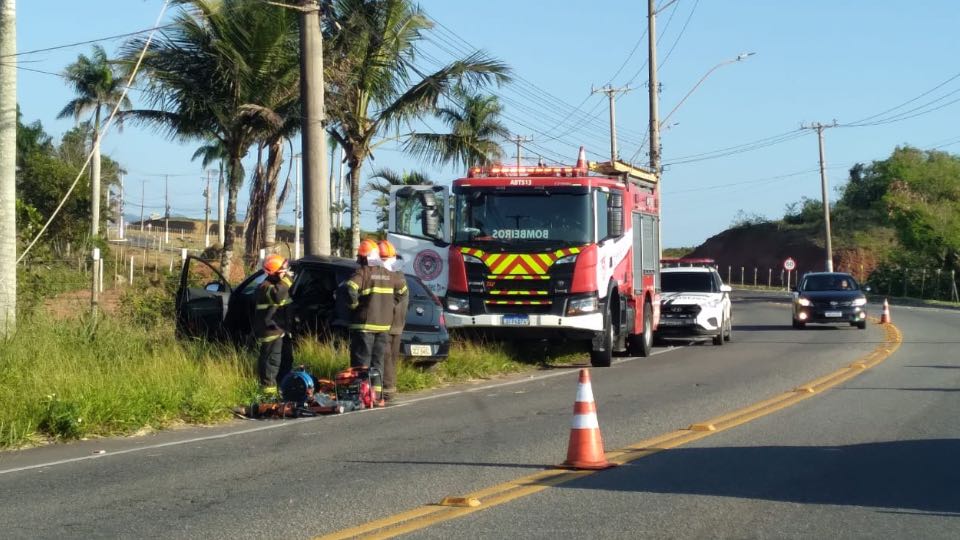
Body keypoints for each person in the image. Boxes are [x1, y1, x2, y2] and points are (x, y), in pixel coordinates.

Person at [346, 239, 407, 399]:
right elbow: (403, 291)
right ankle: (376, 394)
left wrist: (354, 305)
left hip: (364, 325)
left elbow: (351, 288)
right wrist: (390, 305)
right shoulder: (390, 274)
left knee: (361, 363)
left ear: (364, 257)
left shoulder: (363, 272)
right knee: (377, 363)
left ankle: (360, 394)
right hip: (383, 326)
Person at [254, 254, 295, 397]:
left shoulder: (280, 285)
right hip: (271, 333)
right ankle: (268, 397)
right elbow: (277, 295)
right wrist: (288, 279)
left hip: (282, 332)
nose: (286, 273)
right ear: (274, 273)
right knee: (271, 366)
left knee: (286, 363)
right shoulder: (265, 288)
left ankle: (283, 393)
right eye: (283, 271)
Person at [379, 240, 409, 402]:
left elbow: (391, 300)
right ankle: (389, 388)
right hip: (396, 323)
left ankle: (387, 390)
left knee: (386, 356)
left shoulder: (391, 275)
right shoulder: (398, 273)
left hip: (389, 322)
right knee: (390, 357)